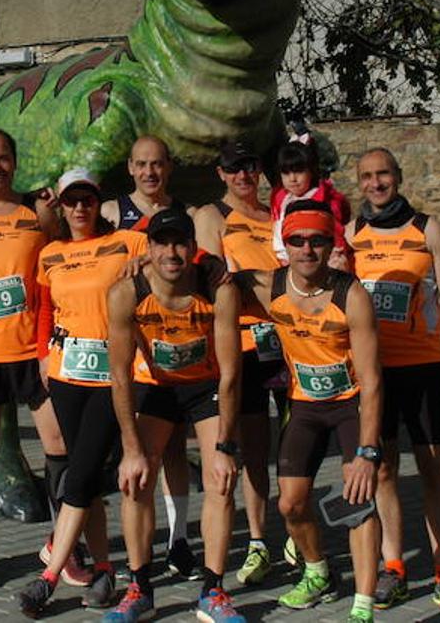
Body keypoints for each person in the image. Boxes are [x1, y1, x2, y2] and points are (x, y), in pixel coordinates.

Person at [346, 148, 440, 618]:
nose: (376, 183)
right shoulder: (350, 236)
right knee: (382, 470)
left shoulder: (427, 229)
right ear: (359, 183)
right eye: (367, 176)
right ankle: (394, 567)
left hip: (424, 368)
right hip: (375, 373)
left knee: (437, 471)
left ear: (398, 177)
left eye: (383, 174)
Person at [236, 200, 383, 623]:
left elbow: (373, 382)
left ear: (329, 243)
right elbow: (218, 279)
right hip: (303, 406)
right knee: (291, 505)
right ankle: (318, 572)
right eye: (297, 240)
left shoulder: (350, 294)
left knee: (358, 502)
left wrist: (368, 454)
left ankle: (364, 604)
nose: (307, 250)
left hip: (349, 406)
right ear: (285, 244)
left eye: (317, 240)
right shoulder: (270, 287)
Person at [0, 128, 89, 589]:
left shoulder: (38, 212)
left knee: (59, 447)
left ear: (14, 160)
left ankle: (62, 544)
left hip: (35, 354)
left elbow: (65, 255)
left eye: (3, 157)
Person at [106, 207, 247, 623]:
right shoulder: (126, 293)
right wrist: (131, 449)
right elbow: (118, 377)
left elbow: (232, 374)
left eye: (180, 242)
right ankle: (139, 588)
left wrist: (224, 445)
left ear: (193, 248)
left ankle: (213, 592)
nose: (172, 252)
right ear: (148, 249)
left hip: (206, 388)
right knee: (135, 480)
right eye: (162, 242)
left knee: (221, 480)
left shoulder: (217, 288)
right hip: (157, 388)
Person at [18, 169, 148, 618]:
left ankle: (49, 576)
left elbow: (176, 246)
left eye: (87, 200)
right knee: (85, 474)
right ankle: (105, 570)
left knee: (80, 472)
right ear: (62, 206)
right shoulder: (51, 254)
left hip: (112, 378)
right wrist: (41, 358)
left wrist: (144, 264)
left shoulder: (128, 242)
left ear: (98, 203)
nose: (79, 209)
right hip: (68, 375)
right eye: (71, 201)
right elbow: (43, 309)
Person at [100, 134, 200, 579]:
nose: (149, 172)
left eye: (157, 164)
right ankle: (138, 553)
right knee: (140, 457)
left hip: (175, 354)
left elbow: (205, 261)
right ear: (129, 167)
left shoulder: (186, 214)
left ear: (169, 167)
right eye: (141, 164)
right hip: (131, 355)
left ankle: (179, 541)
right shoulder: (108, 212)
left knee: (177, 453)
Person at [193, 140, 284, 585]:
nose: (244, 176)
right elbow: (222, 283)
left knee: (290, 447)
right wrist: (264, 285)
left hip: (287, 346)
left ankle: (293, 531)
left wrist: (259, 282)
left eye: (251, 167)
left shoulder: (276, 216)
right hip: (243, 347)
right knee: (251, 451)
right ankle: (257, 541)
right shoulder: (212, 217)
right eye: (235, 169)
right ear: (222, 173)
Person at [269, 134, 350, 269]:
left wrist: (335, 259)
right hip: (286, 263)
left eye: (298, 171)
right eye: (286, 173)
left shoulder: (325, 201)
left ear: (311, 171)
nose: (293, 179)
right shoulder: (281, 199)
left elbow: (337, 233)